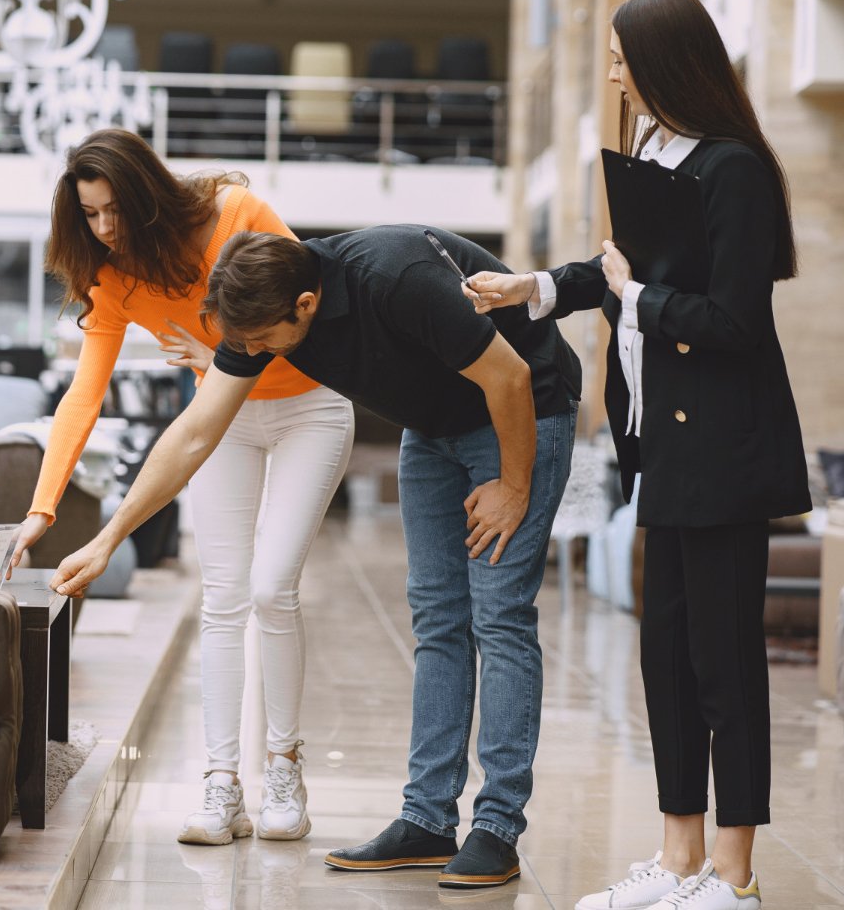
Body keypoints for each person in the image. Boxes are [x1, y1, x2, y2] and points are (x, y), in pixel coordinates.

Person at [51, 223, 583, 889]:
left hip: (521, 413)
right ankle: (426, 819)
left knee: (499, 617)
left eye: (263, 341)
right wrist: (108, 538)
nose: (254, 354)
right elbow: (193, 435)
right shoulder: (262, 308)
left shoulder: (397, 278)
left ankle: (497, 828)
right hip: (436, 428)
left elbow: (509, 374)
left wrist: (512, 484)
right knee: (438, 618)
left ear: (304, 307)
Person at [466, 0, 809, 910]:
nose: (613, 74)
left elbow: (734, 318)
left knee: (724, 665)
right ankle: (680, 862)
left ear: (665, 62)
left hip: (728, 451)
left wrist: (640, 298)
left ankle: (733, 877)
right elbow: (616, 275)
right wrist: (534, 286)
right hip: (662, 447)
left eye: (622, 59)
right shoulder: (657, 155)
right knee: (668, 658)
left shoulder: (732, 169)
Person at [11, 129, 355, 846]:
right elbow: (85, 392)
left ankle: (284, 766)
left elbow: (313, 307)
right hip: (220, 419)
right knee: (222, 597)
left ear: (143, 194)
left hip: (310, 408)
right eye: (90, 216)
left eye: (113, 210)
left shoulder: (234, 214)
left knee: (271, 589)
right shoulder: (112, 279)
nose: (104, 230)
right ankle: (221, 783)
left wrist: (227, 352)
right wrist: (44, 505)